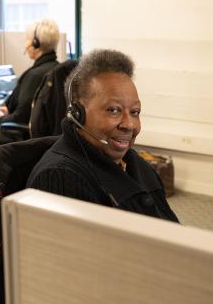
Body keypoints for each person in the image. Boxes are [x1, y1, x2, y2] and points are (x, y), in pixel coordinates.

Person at [26, 49, 179, 222]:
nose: (129, 124)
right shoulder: (59, 178)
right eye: (113, 110)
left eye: (135, 112)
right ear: (77, 114)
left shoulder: (135, 164)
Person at [0, 18, 60, 156]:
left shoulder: (35, 75)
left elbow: (21, 116)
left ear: (35, 43)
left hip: (25, 134)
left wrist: (1, 119)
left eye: (27, 39)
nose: (25, 43)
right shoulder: (56, 69)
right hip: (46, 136)